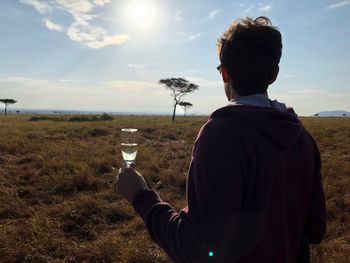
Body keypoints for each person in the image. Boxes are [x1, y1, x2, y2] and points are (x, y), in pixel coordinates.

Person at [115, 16, 326, 263]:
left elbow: (199, 251)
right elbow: (315, 229)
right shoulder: (302, 138)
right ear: (274, 74)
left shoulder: (220, 136)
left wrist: (141, 196)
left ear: (224, 72)